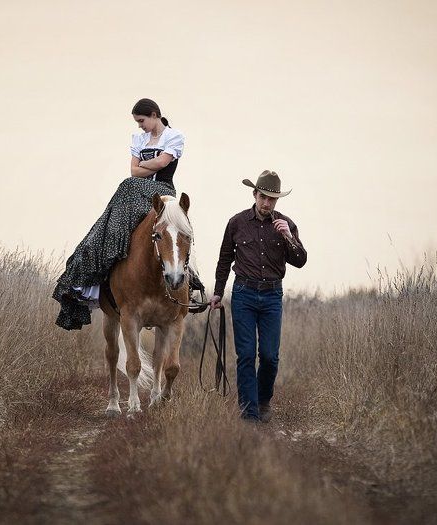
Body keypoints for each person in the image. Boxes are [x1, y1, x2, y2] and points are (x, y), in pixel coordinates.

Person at [53, 98, 203, 331]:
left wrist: (146, 166)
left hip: (163, 193)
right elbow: (134, 170)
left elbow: (162, 163)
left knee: (174, 229)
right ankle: (108, 256)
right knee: (123, 195)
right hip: (135, 192)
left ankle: (188, 274)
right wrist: (150, 165)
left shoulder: (174, 137)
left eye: (142, 121)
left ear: (154, 115)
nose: (140, 126)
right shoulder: (139, 139)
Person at [210, 170, 307, 422]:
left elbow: (301, 261)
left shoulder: (286, 225)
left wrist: (289, 237)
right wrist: (218, 292)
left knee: (270, 356)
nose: (267, 203)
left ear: (277, 201)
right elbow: (224, 260)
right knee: (245, 355)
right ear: (254, 194)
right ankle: (249, 415)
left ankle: (263, 401)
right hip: (243, 294)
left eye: (272, 199)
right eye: (263, 197)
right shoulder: (236, 223)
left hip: (272, 296)